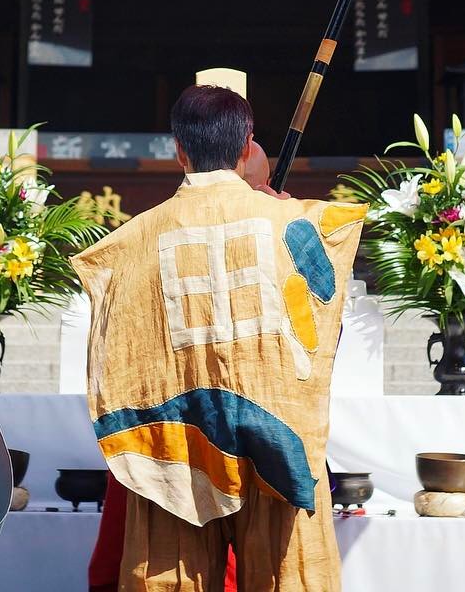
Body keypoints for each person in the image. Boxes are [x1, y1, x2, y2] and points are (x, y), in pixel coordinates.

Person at [74, 84, 367, 591]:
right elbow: (326, 329)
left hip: (177, 443)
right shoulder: (298, 224)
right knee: (289, 580)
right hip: (278, 440)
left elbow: (118, 354)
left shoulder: (131, 243)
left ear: (179, 149)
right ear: (247, 144)